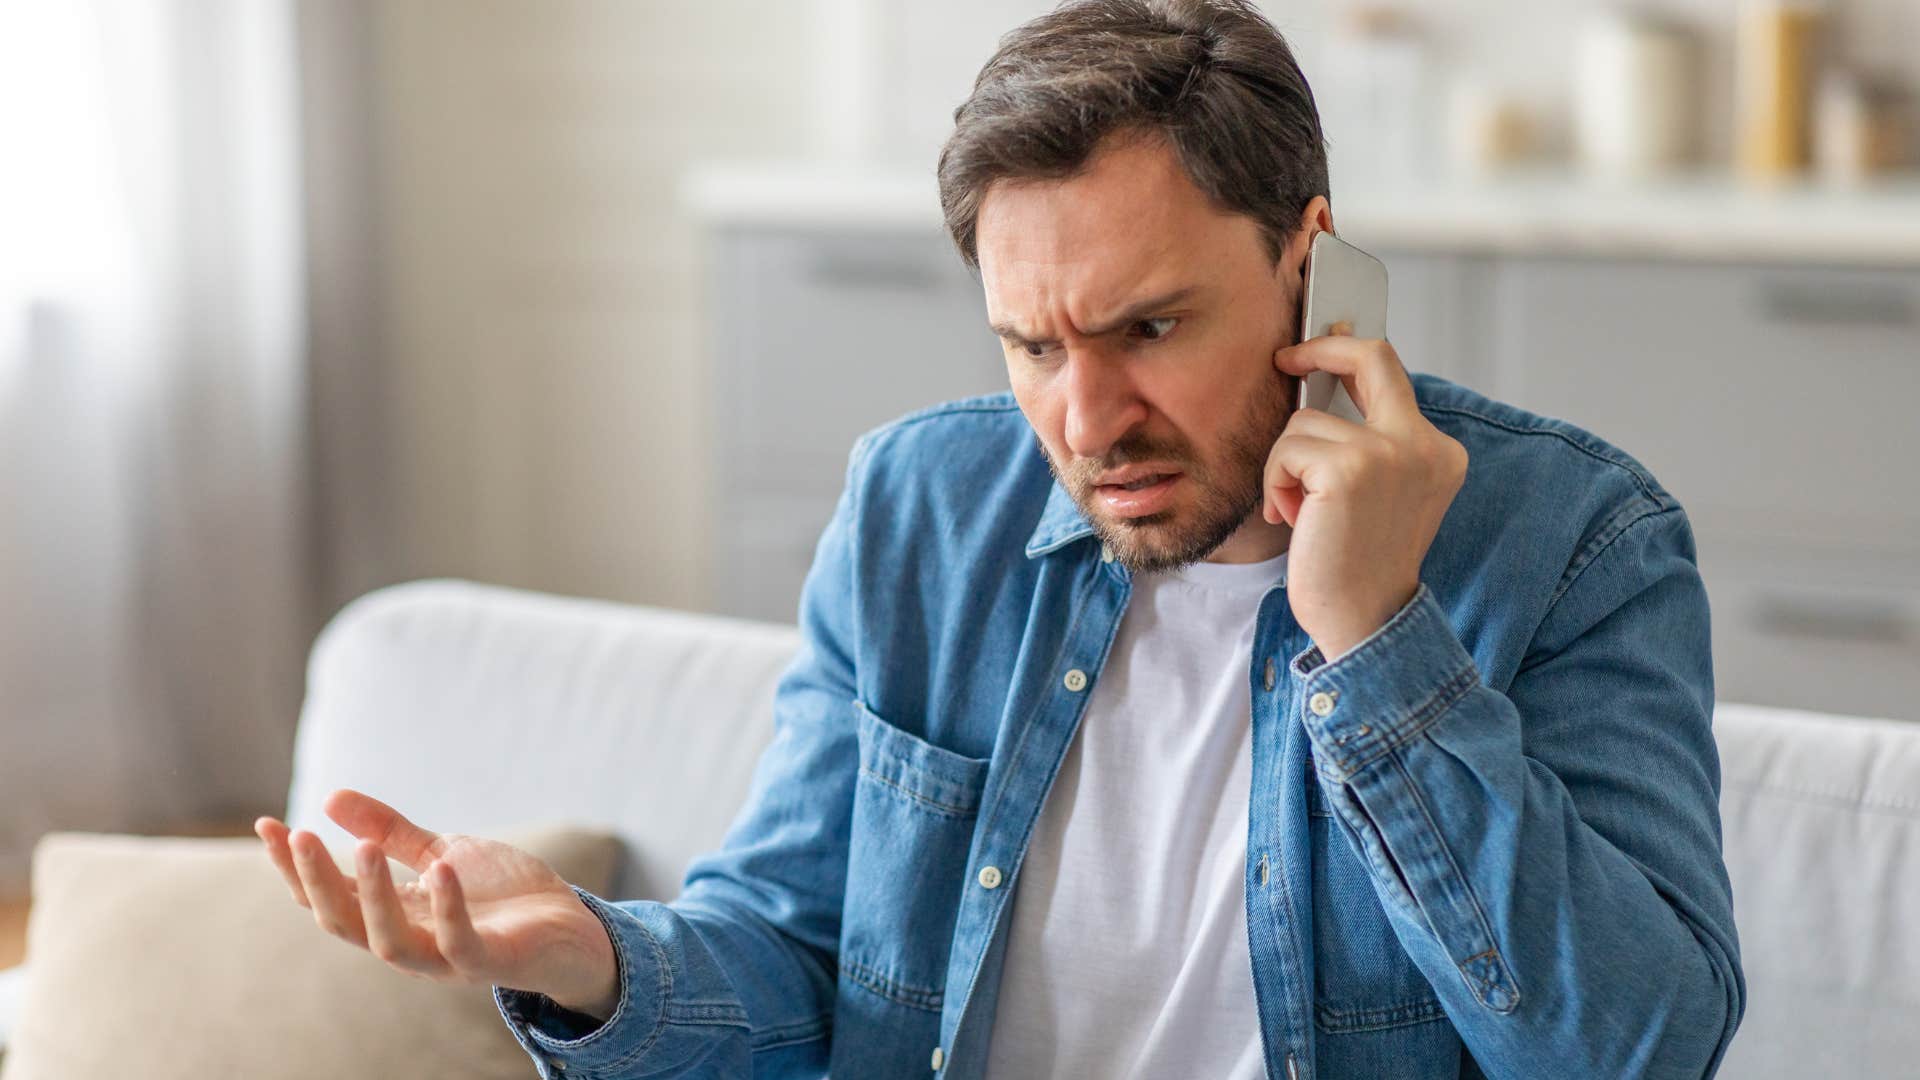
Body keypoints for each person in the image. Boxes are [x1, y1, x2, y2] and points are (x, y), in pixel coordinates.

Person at [254, 1, 1745, 1076]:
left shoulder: (1576, 544)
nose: (1087, 419)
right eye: (1031, 346)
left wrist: (1374, 642)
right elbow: (796, 966)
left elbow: (1636, 1050)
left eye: (1150, 327)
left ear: (1312, 263)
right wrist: (589, 955)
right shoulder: (918, 512)